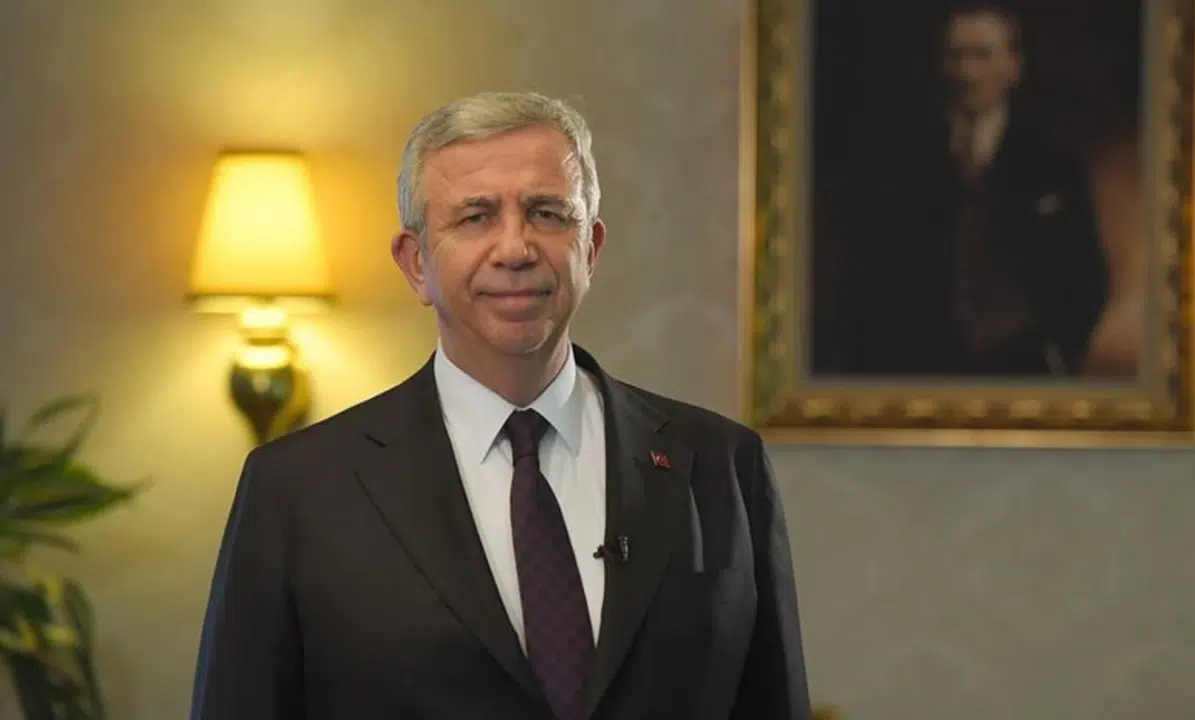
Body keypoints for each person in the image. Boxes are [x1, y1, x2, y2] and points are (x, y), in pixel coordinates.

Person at [190, 91, 810, 720]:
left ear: (591, 248)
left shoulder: (721, 464)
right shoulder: (296, 489)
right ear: (416, 264)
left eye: (547, 213)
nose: (515, 249)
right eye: (475, 217)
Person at [811, 2, 1109, 377]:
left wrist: (1056, 349)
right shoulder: (899, 164)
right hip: (916, 368)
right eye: (956, 56)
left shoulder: (1052, 165)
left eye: (982, 56)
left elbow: (1086, 277)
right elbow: (866, 273)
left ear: (1013, 67)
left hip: (1022, 368)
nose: (968, 73)